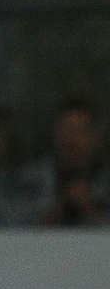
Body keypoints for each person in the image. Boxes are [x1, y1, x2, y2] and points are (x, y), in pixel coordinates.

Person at [16, 97, 110, 226]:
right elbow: (15, 229)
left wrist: (88, 207)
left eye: (80, 130)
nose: (71, 138)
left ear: (94, 137)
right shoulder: (30, 177)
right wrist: (60, 206)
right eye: (65, 129)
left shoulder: (105, 180)